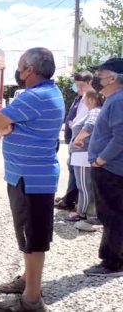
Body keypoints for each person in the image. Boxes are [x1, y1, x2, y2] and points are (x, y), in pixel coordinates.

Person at [0, 48, 63, 312]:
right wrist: (10, 126)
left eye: (19, 67)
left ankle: (31, 300)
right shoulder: (48, 93)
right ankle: (29, 282)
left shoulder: (34, 97)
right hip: (28, 177)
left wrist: (7, 126)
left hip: (31, 180)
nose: (17, 72)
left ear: (29, 69)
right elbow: (0, 125)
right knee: (29, 236)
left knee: (33, 239)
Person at [84, 58, 123, 277]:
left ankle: (112, 262)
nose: (97, 78)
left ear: (113, 77)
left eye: (101, 74)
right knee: (113, 214)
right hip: (109, 167)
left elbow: (120, 137)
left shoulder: (118, 101)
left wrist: (101, 160)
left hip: (111, 169)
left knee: (112, 215)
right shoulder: (113, 99)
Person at [55, 71, 93, 211]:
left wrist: (75, 129)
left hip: (81, 144)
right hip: (74, 141)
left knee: (81, 178)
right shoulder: (80, 98)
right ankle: (71, 198)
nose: (78, 88)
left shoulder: (90, 99)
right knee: (73, 171)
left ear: (89, 82)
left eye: (80, 85)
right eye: (76, 85)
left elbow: (86, 123)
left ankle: (75, 204)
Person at [68, 90, 103, 227]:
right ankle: (84, 211)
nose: (83, 102)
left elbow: (90, 126)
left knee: (84, 186)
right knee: (83, 185)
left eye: (84, 99)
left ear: (92, 99)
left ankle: (82, 212)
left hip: (83, 154)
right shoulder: (94, 111)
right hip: (81, 154)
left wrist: (77, 139)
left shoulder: (94, 111)